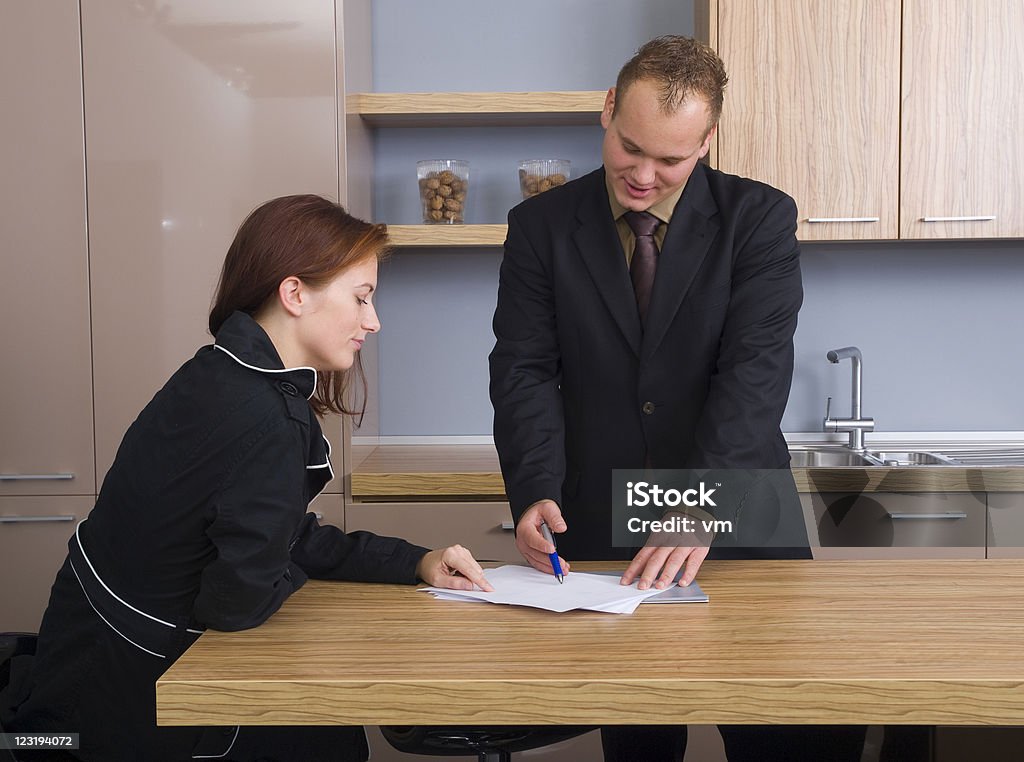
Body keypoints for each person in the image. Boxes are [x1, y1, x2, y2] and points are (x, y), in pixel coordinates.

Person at [7, 195, 493, 762]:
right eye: (361, 298)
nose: (373, 320)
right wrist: (300, 591)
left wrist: (415, 561)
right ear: (294, 294)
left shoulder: (217, 371)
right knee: (336, 743)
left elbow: (282, 535)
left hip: (81, 660)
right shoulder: (266, 419)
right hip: (141, 692)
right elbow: (236, 604)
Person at [489, 36, 864, 761]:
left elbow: (753, 376)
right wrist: (533, 489)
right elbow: (525, 370)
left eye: (672, 159)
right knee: (640, 740)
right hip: (604, 512)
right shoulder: (539, 228)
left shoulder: (758, 219)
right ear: (607, 110)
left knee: (779, 732)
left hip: (741, 514)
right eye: (631, 147)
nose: (644, 175)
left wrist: (698, 504)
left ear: (707, 142)